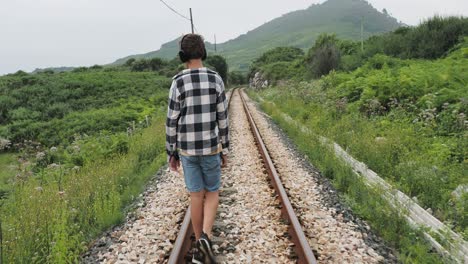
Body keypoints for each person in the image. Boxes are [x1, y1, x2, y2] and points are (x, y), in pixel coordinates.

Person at [165, 33, 229, 264]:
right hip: (211, 147)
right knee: (212, 191)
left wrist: (171, 151)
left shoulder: (178, 81)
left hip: (188, 150)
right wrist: (225, 147)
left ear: (183, 55)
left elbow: (172, 120)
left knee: (195, 194)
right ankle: (206, 238)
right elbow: (223, 117)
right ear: (203, 52)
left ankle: (198, 239)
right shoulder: (215, 78)